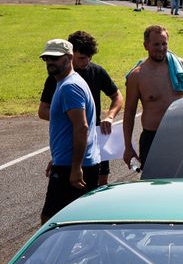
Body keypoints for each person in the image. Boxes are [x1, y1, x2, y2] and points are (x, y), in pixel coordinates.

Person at [39, 31, 123, 186]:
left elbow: (117, 97)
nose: (87, 62)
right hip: (73, 138)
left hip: (97, 136)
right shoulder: (57, 77)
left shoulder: (96, 71)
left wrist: (110, 116)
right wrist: (70, 119)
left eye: (89, 57)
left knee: (102, 182)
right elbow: (43, 110)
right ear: (71, 55)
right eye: (82, 58)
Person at [38, 39, 100, 224]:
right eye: (47, 58)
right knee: (73, 222)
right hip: (68, 162)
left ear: (70, 57)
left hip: (73, 168)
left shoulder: (69, 87)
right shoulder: (65, 82)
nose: (50, 62)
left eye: (56, 58)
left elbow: (81, 128)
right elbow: (70, 128)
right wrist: (57, 157)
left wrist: (75, 167)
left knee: (52, 222)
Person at [123, 26, 183, 168]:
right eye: (156, 44)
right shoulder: (137, 76)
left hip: (181, 135)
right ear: (146, 45)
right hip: (153, 138)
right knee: (154, 185)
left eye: (164, 44)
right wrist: (128, 147)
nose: (161, 48)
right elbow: (129, 113)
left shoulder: (181, 66)